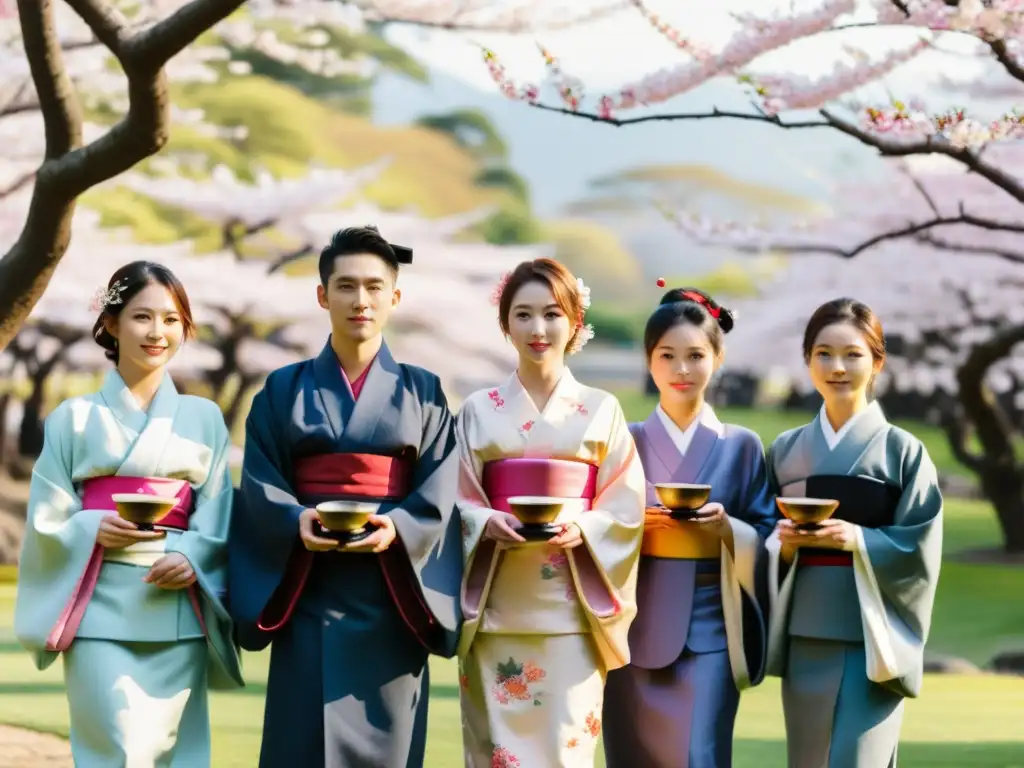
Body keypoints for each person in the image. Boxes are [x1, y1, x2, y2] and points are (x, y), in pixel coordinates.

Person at [227, 225, 463, 768]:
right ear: (322, 295)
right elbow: (260, 481)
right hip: (308, 587)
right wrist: (294, 520)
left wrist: (399, 526)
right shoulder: (283, 389)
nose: (362, 300)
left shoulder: (423, 390)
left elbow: (440, 487)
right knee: (301, 741)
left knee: (390, 744)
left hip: (393, 598)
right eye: (347, 285)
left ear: (395, 297)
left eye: (376, 287)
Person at [14, 261, 242, 767]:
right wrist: (92, 527)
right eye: (142, 317)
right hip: (99, 610)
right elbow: (48, 516)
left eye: (170, 318)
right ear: (111, 324)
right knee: (117, 747)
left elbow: (217, 510)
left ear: (185, 328)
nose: (156, 332)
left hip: (176, 608)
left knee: (175, 751)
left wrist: (191, 556)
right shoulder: (73, 418)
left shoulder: (203, 418)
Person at [455, 258, 645, 768]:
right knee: (497, 753)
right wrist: (484, 521)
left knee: (566, 750)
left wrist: (582, 525)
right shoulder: (478, 409)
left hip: (571, 614)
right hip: (496, 610)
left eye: (552, 314)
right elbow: (456, 498)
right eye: (523, 315)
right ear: (505, 323)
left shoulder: (602, 408)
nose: (538, 329)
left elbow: (626, 506)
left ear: (575, 322)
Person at [765, 297, 943, 768]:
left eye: (853, 354)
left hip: (873, 638)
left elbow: (920, 547)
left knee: (858, 759)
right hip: (807, 631)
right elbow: (761, 534)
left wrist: (858, 539)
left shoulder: (903, 451)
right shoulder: (785, 451)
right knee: (809, 759)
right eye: (823, 353)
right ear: (807, 361)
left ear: (877, 361)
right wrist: (779, 546)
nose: (837, 367)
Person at [602, 286, 777, 767]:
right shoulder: (625, 440)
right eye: (668, 355)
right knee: (634, 754)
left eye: (696, 355)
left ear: (717, 358)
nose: (682, 369)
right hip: (636, 622)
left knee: (702, 753)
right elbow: (599, 523)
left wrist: (728, 529)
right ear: (649, 360)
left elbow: (767, 532)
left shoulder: (742, 446)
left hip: (711, 627)